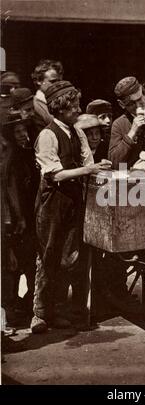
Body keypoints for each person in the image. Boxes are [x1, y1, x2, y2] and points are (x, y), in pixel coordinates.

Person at [30, 80, 111, 333]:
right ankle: (40, 314)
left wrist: (99, 167)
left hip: (74, 201)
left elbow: (88, 160)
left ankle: (59, 310)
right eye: (73, 106)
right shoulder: (48, 135)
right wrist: (88, 169)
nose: (78, 110)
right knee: (48, 256)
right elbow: (55, 174)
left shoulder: (77, 132)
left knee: (69, 258)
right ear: (60, 109)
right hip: (52, 203)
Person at [2, 112, 40, 317]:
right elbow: (12, 189)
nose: (22, 134)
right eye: (17, 131)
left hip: (28, 214)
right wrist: (19, 217)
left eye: (24, 130)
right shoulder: (12, 157)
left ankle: (26, 303)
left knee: (28, 260)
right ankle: (16, 306)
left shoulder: (26, 152)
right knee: (18, 262)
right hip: (19, 218)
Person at [31, 59, 63, 132]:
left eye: (59, 81)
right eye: (53, 81)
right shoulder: (35, 105)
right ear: (39, 81)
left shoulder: (58, 99)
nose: (57, 85)